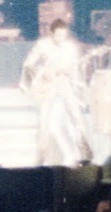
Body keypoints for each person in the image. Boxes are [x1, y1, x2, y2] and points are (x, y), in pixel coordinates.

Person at [19, 17, 92, 167]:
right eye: (58, 35)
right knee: (44, 121)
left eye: (63, 35)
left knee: (76, 118)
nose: (61, 38)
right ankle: (41, 158)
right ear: (52, 34)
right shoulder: (43, 45)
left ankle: (85, 154)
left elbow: (74, 69)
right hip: (49, 86)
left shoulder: (69, 47)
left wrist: (74, 75)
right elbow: (28, 64)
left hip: (65, 85)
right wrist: (45, 73)